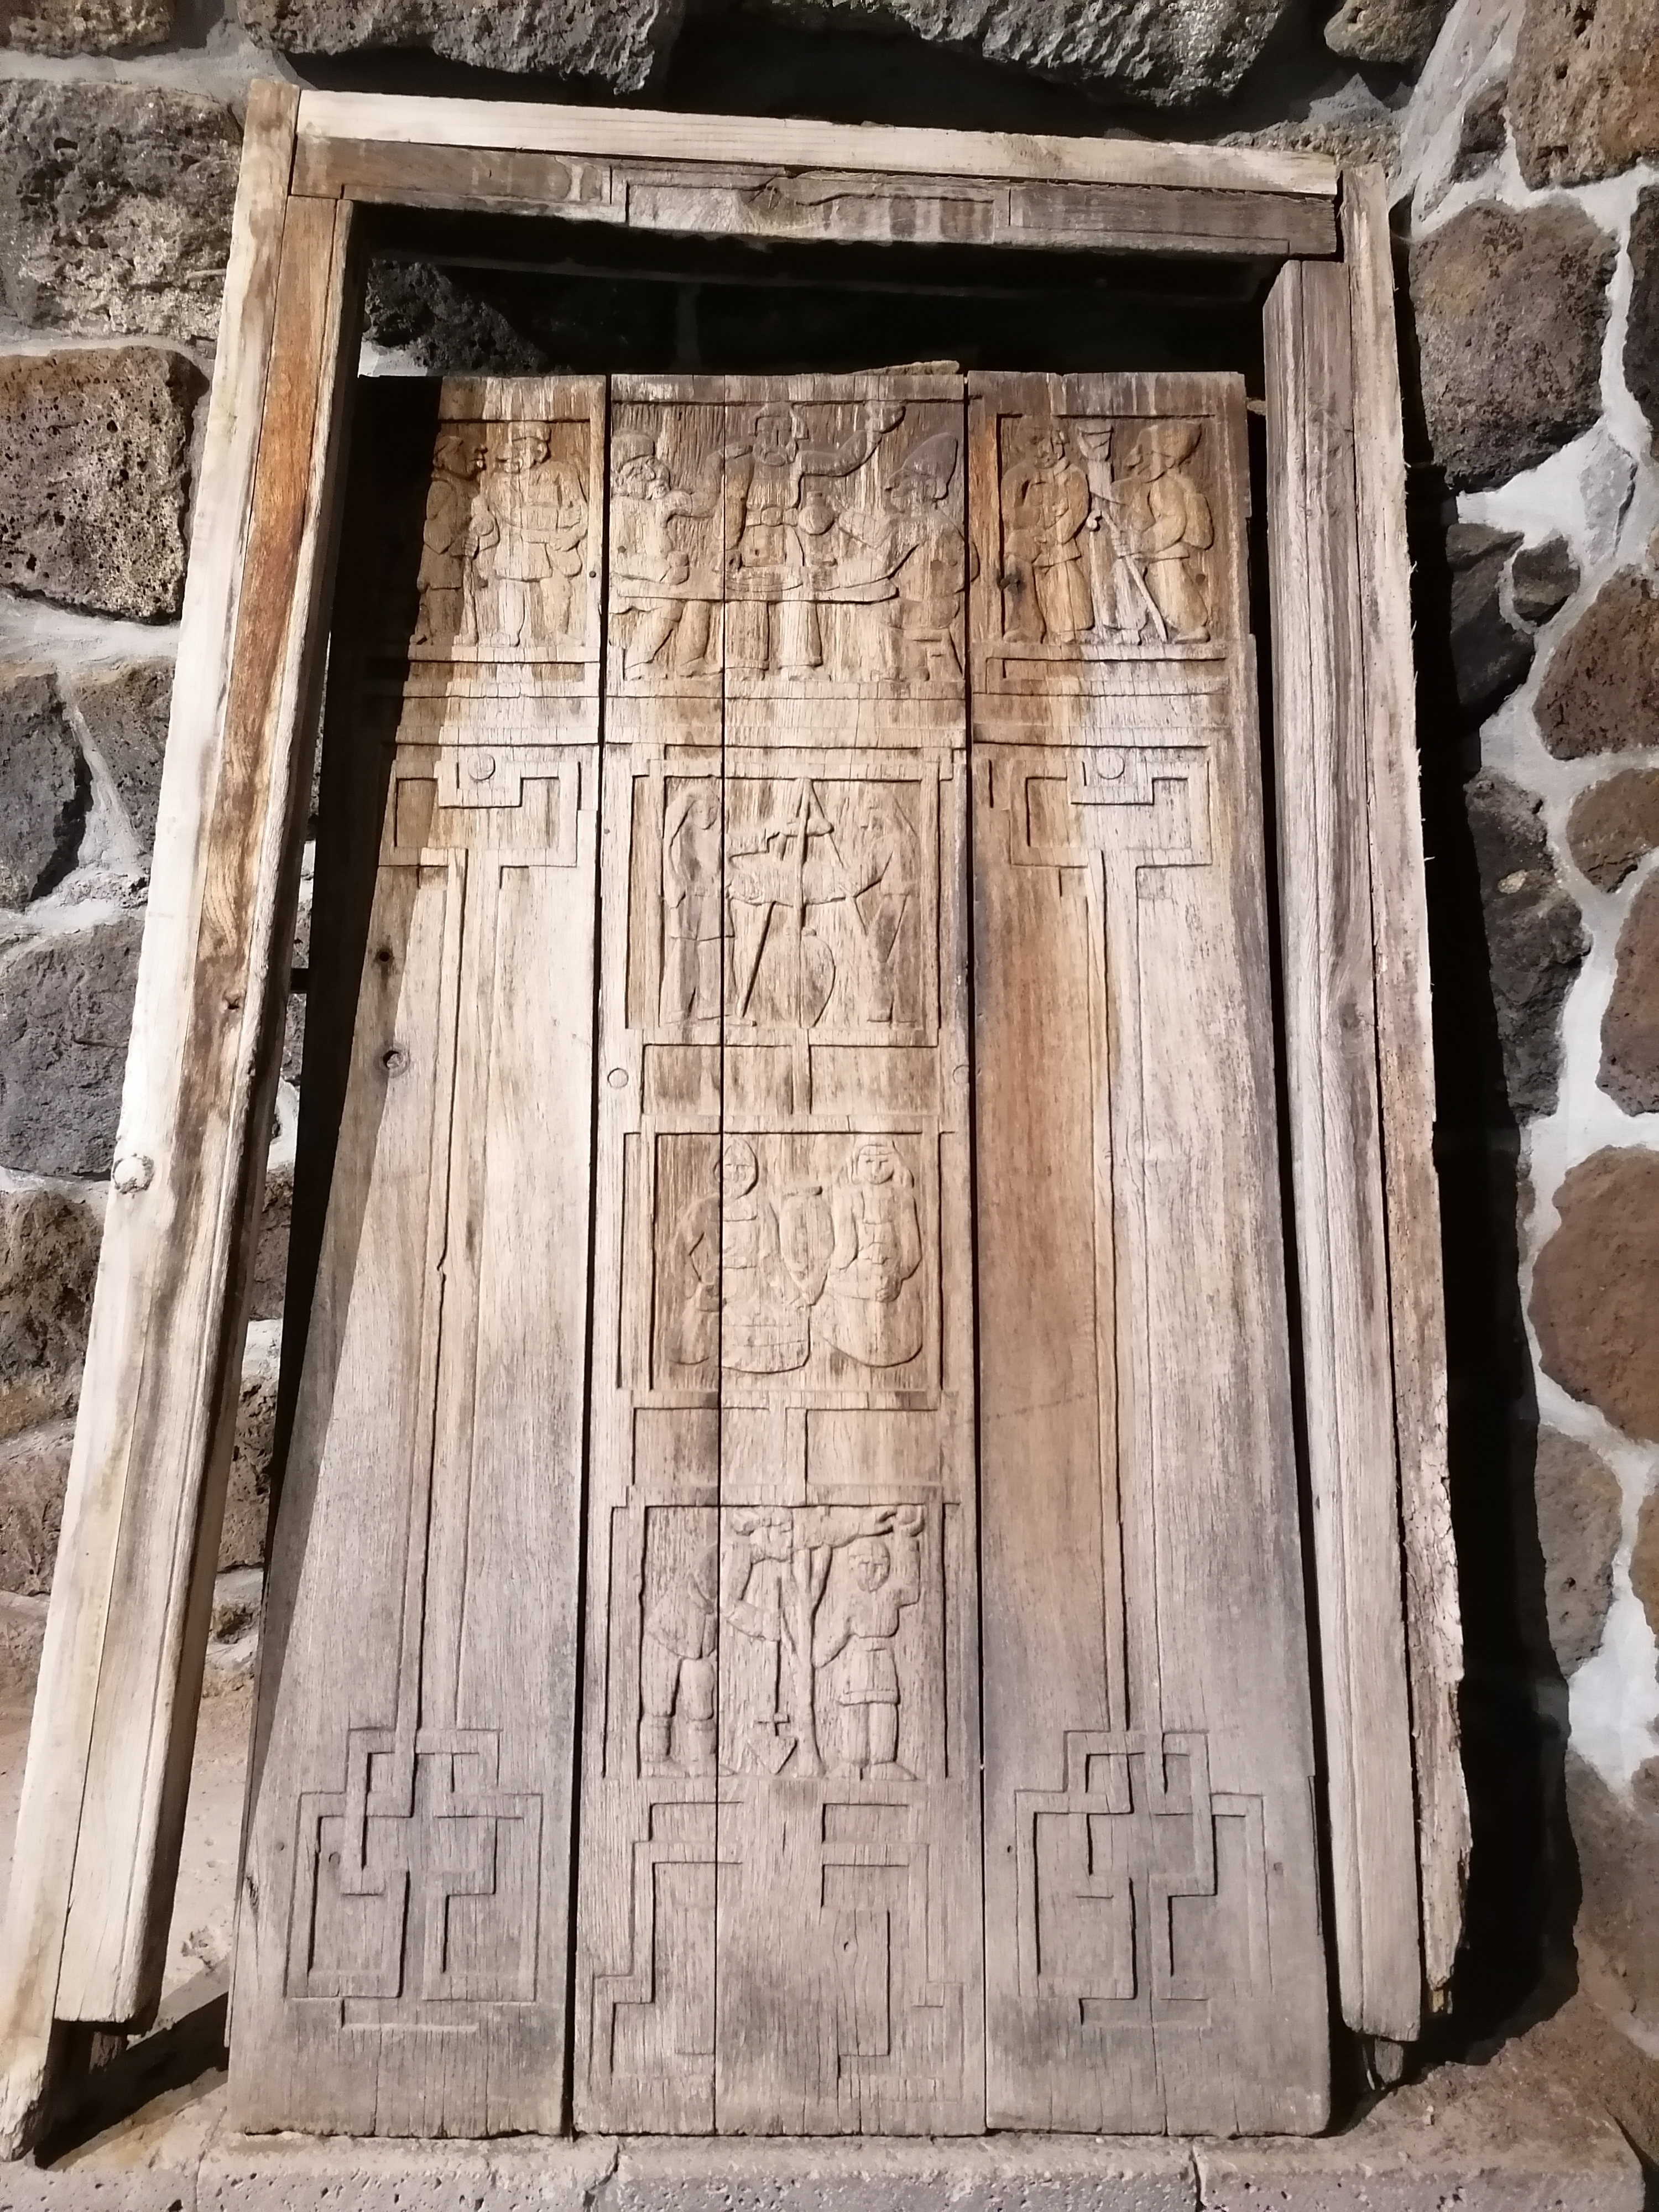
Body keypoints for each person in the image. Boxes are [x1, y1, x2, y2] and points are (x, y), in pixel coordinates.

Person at [813, 1506, 925, 1778]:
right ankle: (852, 1762)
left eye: (878, 1566)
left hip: (883, 1661)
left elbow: (911, 1588)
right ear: (852, 1566)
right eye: (865, 1565)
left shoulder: (891, 1595)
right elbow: (835, 1636)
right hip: (858, 1662)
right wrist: (817, 1655)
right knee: (855, 1711)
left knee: (884, 1710)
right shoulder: (851, 1601)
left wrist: (907, 1540)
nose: (872, 1572)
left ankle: (883, 1762)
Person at [818, 1140, 924, 1368]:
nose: (876, 1169)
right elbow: (846, 1250)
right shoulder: (848, 1197)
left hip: (889, 1278)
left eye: (883, 1161)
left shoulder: (903, 1199)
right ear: (856, 1163)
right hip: (858, 1275)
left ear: (895, 1162)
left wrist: (897, 1276)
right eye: (868, 1162)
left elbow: (912, 1252)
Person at [1113, 422, 1214, 641]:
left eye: (1147, 455)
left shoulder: (1166, 486)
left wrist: (1140, 542)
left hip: (1165, 554)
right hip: (1153, 553)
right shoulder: (1154, 484)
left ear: (1168, 460)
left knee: (1173, 595)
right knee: (1135, 580)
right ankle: (1133, 628)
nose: (1138, 462)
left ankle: (1193, 627)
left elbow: (1175, 522)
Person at [999, 419, 1092, 644]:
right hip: (1030, 540)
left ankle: (1070, 630)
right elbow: (1010, 515)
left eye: (1049, 443)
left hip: (1059, 545)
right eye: (1034, 444)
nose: (1043, 451)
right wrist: (1035, 517)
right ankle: (1027, 625)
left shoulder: (1072, 475)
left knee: (1067, 595)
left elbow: (1077, 511)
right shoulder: (1018, 476)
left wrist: (1054, 535)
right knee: (1015, 553)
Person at [639, 1545, 718, 1776]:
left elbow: (703, 1647)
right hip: (661, 1645)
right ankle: (655, 1761)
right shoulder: (686, 1593)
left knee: (700, 1682)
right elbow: (691, 1646)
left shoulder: (706, 1603)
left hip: (682, 1649)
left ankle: (703, 1760)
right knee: (659, 1706)